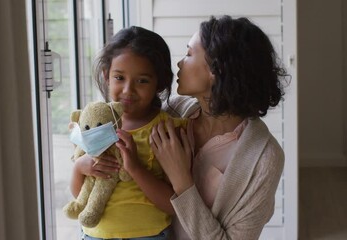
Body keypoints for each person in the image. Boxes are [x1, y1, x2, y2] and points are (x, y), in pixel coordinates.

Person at [149, 15, 289, 240]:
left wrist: (182, 181)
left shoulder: (265, 158)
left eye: (188, 54)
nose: (179, 63)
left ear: (215, 68)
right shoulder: (172, 112)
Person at [70, 26, 185, 239]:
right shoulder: (93, 122)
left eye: (142, 80)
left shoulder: (165, 129)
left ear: (158, 83)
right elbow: (80, 196)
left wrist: (135, 168)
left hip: (149, 235)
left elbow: (175, 205)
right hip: (95, 235)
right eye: (119, 78)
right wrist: (79, 167)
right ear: (106, 76)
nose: (127, 90)